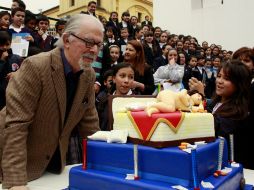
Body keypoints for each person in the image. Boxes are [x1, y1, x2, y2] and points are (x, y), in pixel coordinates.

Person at [0, 14, 103, 189]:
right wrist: (16, 183)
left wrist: (104, 166)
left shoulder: (88, 74)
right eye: (88, 42)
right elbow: (16, 126)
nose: (94, 50)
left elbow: (90, 125)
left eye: (98, 45)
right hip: (15, 166)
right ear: (67, 40)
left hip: (52, 168)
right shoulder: (35, 66)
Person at [188, 60, 251, 169]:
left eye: (226, 79)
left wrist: (201, 95)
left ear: (239, 84)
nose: (220, 81)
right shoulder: (216, 102)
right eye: (219, 76)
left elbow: (211, 128)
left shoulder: (238, 112)